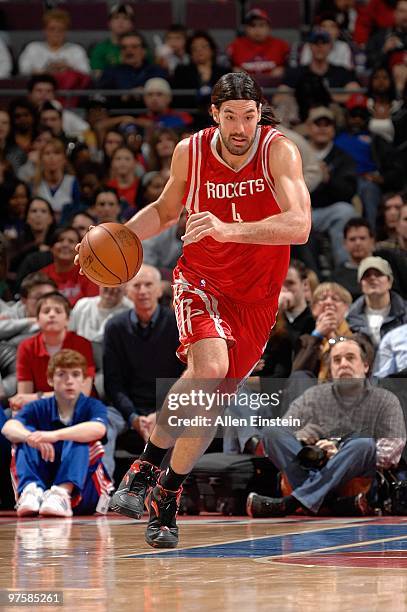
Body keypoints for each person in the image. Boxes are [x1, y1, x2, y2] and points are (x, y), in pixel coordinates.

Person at [78, 72, 311, 548]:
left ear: (258, 114)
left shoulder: (278, 151)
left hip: (257, 298)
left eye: (249, 116)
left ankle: (165, 494)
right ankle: (144, 467)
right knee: (209, 367)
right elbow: (166, 210)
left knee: (212, 398)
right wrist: (117, 237)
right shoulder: (192, 151)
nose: (241, 127)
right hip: (201, 280)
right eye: (230, 117)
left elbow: (300, 225)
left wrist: (228, 229)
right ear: (215, 114)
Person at [247, 336, 406, 517]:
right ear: (330, 369)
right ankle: (329, 502)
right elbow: (284, 429)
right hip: (313, 468)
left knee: (363, 443)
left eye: (350, 358)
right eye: (337, 360)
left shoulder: (386, 400)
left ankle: (291, 503)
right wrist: (303, 435)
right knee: (272, 432)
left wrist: (339, 452)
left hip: (358, 477)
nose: (343, 364)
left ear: (366, 366)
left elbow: (390, 454)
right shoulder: (313, 396)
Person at [1, 349, 112, 517]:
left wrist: (53, 435)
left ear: (84, 380)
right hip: (46, 485)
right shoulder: (39, 406)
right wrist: (32, 437)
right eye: (62, 375)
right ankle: (31, 491)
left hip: (87, 488)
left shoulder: (92, 406)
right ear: (50, 379)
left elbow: (99, 429)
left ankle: (62, 492)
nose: (69, 381)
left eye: (75, 374)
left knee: (82, 437)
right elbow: (8, 427)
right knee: (26, 434)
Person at [102, 264, 184, 479]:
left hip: (169, 404)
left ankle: (166, 488)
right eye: (136, 285)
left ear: (160, 290)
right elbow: (113, 383)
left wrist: (161, 413)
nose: (143, 291)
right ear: (127, 292)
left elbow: (186, 375)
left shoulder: (178, 324)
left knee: (184, 420)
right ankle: (104, 487)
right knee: (102, 423)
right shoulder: (115, 327)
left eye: (149, 285)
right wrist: (133, 417)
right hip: (127, 408)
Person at [11, 291, 95, 412]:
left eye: (58, 311)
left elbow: (83, 393)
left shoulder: (82, 344)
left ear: (68, 320)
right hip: (42, 409)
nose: (51, 315)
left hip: (79, 409)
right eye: (46, 311)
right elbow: (23, 396)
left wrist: (38, 397)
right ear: (37, 320)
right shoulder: (26, 347)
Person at [347, 256, 407, 346]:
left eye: (379, 274)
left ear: (390, 282)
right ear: (360, 284)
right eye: (366, 275)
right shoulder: (349, 317)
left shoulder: (405, 313)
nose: (372, 278)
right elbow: (336, 341)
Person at [227, 8, 289, 78]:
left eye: (261, 25)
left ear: (269, 28)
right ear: (246, 28)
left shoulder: (282, 45)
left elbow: (293, 69)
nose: (257, 30)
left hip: (274, 87)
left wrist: (284, 70)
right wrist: (232, 70)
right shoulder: (235, 46)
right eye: (252, 25)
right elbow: (223, 70)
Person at [90, 3, 135, 77]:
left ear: (132, 24)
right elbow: (97, 76)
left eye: (126, 18)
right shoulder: (100, 49)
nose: (121, 21)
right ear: (109, 23)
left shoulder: (140, 48)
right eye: (116, 17)